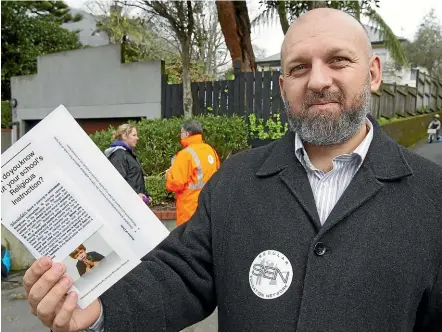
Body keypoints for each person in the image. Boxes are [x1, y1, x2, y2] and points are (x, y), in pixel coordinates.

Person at [23, 8, 442, 332]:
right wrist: (98, 314)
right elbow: (178, 276)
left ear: (372, 74)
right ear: (282, 87)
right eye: (298, 67)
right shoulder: (236, 183)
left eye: (338, 61)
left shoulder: (433, 196)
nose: (317, 81)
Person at [166, 120, 220, 226]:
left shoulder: (185, 154)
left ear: (186, 133)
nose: (180, 136)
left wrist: (168, 174)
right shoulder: (211, 151)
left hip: (189, 209)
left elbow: (175, 183)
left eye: (181, 133)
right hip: (208, 206)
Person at [104, 124, 151, 204]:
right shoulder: (119, 155)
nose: (137, 138)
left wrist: (146, 194)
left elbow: (134, 178)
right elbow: (119, 181)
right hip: (127, 204)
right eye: (134, 135)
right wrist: (135, 194)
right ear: (124, 136)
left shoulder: (128, 154)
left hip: (134, 202)